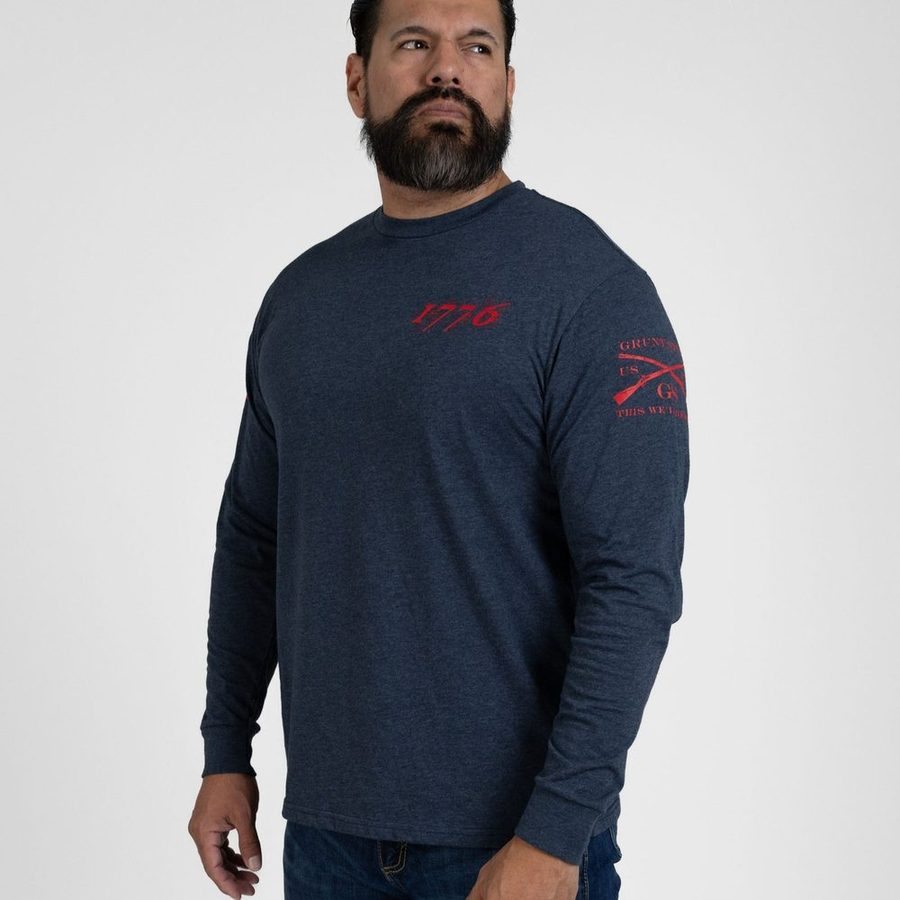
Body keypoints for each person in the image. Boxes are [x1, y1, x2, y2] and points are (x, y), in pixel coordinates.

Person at [187, 0, 690, 897]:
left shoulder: (593, 290)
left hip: (512, 843)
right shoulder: (302, 299)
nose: (446, 69)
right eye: (414, 42)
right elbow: (255, 538)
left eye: (477, 47)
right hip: (327, 841)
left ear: (508, 83)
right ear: (358, 81)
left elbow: (633, 580)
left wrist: (556, 833)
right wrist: (227, 748)